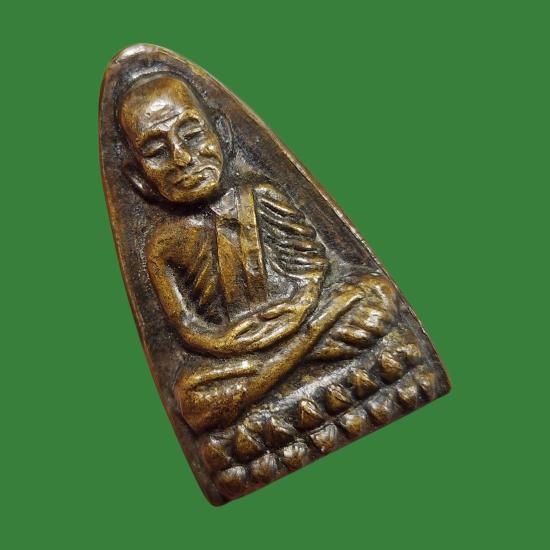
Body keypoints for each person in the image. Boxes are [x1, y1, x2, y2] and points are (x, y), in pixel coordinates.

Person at [119, 75, 398, 432]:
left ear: (222, 133)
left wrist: (299, 308)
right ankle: (290, 373)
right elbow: (186, 326)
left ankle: (269, 380)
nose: (182, 158)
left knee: (375, 295)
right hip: (237, 353)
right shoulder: (162, 244)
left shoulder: (261, 195)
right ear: (138, 177)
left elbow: (313, 267)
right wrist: (226, 341)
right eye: (157, 152)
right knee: (190, 397)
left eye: (192, 134)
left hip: (303, 320)